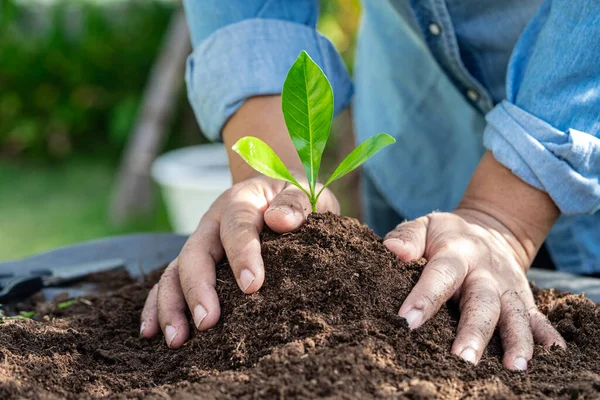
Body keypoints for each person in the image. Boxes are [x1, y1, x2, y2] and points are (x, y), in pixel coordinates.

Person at [139, 0, 600, 372]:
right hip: (413, 126)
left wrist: (503, 219)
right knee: (403, 277)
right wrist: (276, 171)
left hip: (583, 151)